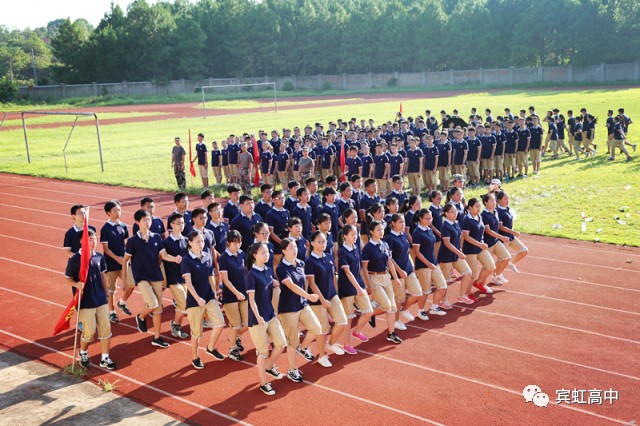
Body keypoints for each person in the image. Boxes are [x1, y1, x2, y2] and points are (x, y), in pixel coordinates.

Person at [123, 209, 182, 348]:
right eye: (144, 220)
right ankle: (141, 317)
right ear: (137, 222)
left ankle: (156, 337)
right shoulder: (132, 241)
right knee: (153, 304)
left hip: (156, 276)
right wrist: (125, 281)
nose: (147, 222)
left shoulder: (156, 237)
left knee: (158, 310)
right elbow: (125, 260)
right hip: (142, 277)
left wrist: (175, 259)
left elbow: (163, 255)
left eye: (149, 219)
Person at [64, 229, 116, 370]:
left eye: (95, 238)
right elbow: (67, 278)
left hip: (100, 300)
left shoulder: (99, 257)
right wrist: (76, 284)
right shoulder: (75, 259)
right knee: (89, 331)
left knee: (106, 329)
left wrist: (106, 294)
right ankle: (83, 352)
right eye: (90, 239)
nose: (94, 242)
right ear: (82, 241)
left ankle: (105, 358)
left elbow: (103, 276)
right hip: (85, 302)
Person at [275, 238, 321, 381]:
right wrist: (308, 296)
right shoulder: (281, 268)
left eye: (295, 247)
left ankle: (303, 348)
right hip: (288, 308)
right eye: (290, 248)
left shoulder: (301, 263)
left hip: (302, 304)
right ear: (283, 251)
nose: (294, 250)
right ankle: (292, 369)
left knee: (316, 328)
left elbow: (304, 282)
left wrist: (306, 298)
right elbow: (291, 286)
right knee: (292, 342)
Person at [246, 242, 288, 396]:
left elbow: (269, 290)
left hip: (270, 315)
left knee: (281, 343)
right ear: (254, 255)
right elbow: (251, 300)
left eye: (267, 253)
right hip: (258, 319)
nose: (267, 255)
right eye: (263, 253)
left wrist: (274, 283)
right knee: (262, 352)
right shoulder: (251, 274)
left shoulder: (269, 270)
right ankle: (264, 383)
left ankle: (269, 367)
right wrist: (258, 317)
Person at [183, 231, 226, 369]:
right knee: (197, 333)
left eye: (202, 242)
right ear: (190, 243)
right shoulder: (186, 260)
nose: (201, 244)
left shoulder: (207, 256)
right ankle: (195, 357)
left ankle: (211, 348)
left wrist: (214, 293)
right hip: (194, 301)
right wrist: (198, 298)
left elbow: (209, 277)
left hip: (209, 297)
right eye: (197, 242)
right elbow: (188, 284)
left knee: (220, 323)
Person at [305, 231, 348, 367]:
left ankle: (332, 343)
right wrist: (322, 300)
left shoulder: (329, 256)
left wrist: (336, 294)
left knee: (342, 321)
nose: (323, 244)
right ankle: (322, 356)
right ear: (312, 243)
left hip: (332, 295)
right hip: (318, 300)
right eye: (320, 242)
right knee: (323, 329)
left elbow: (333, 277)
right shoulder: (309, 261)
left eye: (324, 241)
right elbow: (312, 283)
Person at [361, 220, 403, 344]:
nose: (381, 232)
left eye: (382, 229)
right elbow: (364, 268)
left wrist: (395, 278)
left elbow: (389, 262)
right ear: (371, 232)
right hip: (374, 278)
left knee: (393, 308)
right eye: (378, 230)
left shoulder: (385, 244)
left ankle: (391, 333)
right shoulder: (368, 248)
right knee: (387, 306)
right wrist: (369, 285)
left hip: (386, 278)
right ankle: (370, 313)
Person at [384, 214, 426, 328]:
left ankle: (404, 309)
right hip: (397, 273)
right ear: (393, 223)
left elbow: (407, 252)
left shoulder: (404, 235)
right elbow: (389, 258)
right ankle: (396, 321)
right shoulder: (389, 239)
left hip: (408, 270)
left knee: (418, 292)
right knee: (399, 298)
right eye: (400, 222)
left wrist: (411, 264)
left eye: (404, 222)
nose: (403, 225)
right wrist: (399, 271)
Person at [337, 225, 372, 355]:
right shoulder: (342, 251)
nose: (355, 236)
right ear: (345, 236)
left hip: (359, 284)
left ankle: (357, 331)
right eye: (352, 234)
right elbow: (347, 272)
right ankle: (347, 344)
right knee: (349, 317)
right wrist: (358, 288)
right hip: (347, 287)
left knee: (368, 311)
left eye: (356, 234)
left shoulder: (356, 247)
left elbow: (358, 269)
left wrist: (363, 285)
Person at [411, 209, 448, 317]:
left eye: (430, 218)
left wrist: (433, 262)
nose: (429, 220)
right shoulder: (417, 233)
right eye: (426, 219)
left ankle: (434, 307)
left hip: (433, 262)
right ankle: (420, 311)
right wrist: (428, 264)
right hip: (423, 265)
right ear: (420, 219)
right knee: (426, 291)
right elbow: (417, 252)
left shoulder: (429, 230)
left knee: (442, 286)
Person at [218, 230, 248, 361]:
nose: (237, 245)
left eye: (239, 242)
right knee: (235, 324)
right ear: (228, 243)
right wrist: (236, 293)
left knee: (248, 323)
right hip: (231, 296)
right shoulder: (224, 257)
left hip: (244, 293)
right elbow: (225, 279)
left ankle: (235, 337)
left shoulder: (242, 254)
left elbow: (246, 272)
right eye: (234, 243)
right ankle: (232, 349)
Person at [100, 200, 131, 324]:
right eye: (115, 210)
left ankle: (122, 302)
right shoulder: (105, 229)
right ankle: (111, 312)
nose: (118, 212)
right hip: (111, 264)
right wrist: (117, 258)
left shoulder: (123, 226)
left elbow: (126, 244)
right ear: (108, 213)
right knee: (111, 290)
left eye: (119, 210)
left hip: (123, 262)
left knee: (130, 283)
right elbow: (106, 249)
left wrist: (126, 258)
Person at [437, 204, 473, 307]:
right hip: (446, 256)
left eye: (455, 211)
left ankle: (462, 296)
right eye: (452, 212)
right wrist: (459, 253)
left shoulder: (456, 223)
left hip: (456, 254)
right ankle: (443, 301)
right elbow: (447, 243)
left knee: (468, 273)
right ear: (446, 213)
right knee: (446, 280)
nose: (455, 213)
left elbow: (459, 237)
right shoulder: (445, 226)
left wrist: (460, 248)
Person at [460, 198, 496, 297]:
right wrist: (480, 244)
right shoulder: (466, 220)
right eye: (477, 207)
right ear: (470, 207)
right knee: (473, 274)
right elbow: (466, 236)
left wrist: (482, 243)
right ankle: (468, 293)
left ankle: (478, 283)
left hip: (480, 248)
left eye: (480, 206)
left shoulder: (480, 217)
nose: (479, 208)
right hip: (470, 250)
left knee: (491, 266)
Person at [162, 213, 190, 339]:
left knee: (182, 305)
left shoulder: (186, 241)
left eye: (183, 223)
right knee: (184, 303)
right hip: (173, 278)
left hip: (185, 277)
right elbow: (164, 256)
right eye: (178, 223)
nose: (181, 226)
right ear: (171, 225)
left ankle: (176, 325)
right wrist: (175, 259)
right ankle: (175, 324)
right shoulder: (166, 242)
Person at [480, 193, 512, 286]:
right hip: (488, 243)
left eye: (494, 200)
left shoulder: (495, 211)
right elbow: (488, 230)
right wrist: (501, 237)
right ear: (485, 203)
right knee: (487, 266)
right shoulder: (484, 215)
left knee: (506, 258)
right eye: (491, 201)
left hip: (495, 241)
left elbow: (497, 226)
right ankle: (482, 284)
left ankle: (496, 276)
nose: (494, 202)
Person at [496, 191, 529, 272]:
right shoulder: (498, 212)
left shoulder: (507, 208)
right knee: (502, 259)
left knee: (524, 250)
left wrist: (512, 233)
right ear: (499, 201)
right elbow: (500, 226)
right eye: (505, 199)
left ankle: (511, 263)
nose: (507, 200)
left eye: (508, 199)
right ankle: (496, 275)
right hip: (503, 238)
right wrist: (513, 232)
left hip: (511, 237)